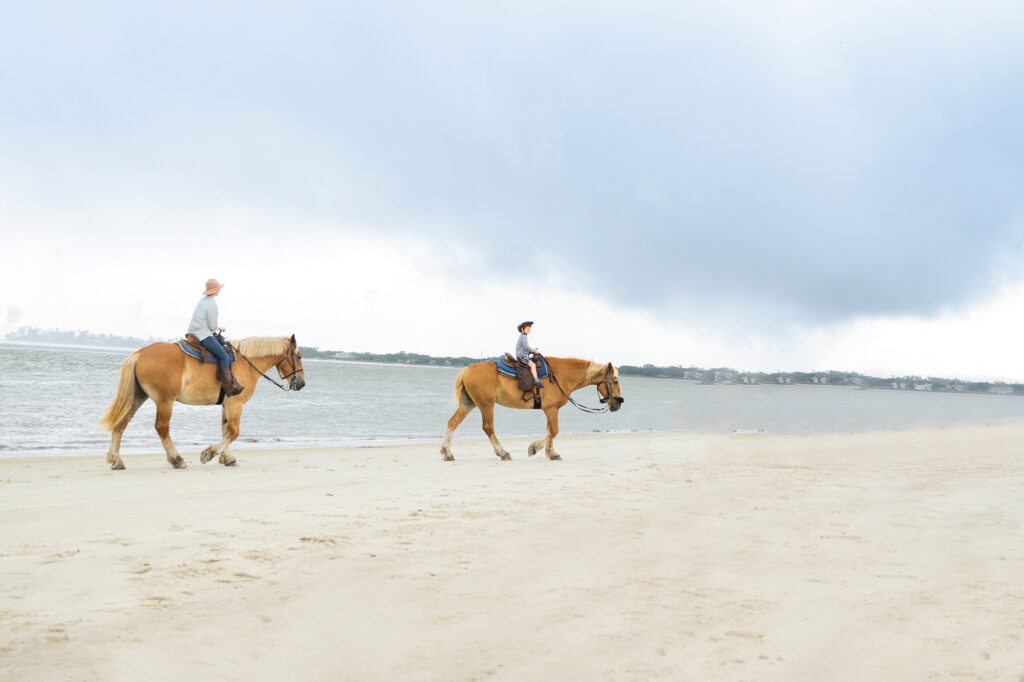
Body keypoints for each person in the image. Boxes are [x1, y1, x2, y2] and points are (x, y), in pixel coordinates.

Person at [187, 278, 243, 397]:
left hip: (193, 332)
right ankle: (228, 388)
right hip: (203, 335)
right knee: (224, 356)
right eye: (218, 289)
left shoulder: (202, 301)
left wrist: (214, 328)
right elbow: (212, 326)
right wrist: (219, 328)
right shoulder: (212, 304)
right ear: (216, 290)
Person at [515, 320, 542, 388]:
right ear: (522, 329)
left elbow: (525, 348)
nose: (529, 330)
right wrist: (534, 351)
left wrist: (532, 351)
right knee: (533, 365)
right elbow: (526, 347)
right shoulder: (523, 336)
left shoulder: (524, 336)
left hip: (523, 355)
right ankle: (536, 380)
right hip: (522, 356)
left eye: (530, 328)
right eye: (527, 328)